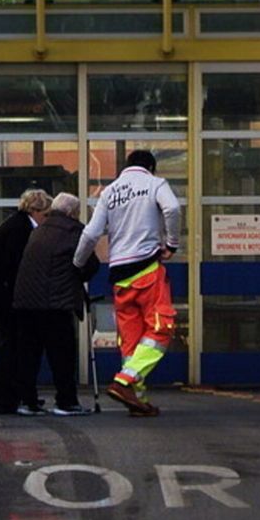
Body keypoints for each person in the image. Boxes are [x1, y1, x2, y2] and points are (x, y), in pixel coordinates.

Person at [74, 149, 181, 416]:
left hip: (119, 275)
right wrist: (172, 244)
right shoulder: (155, 184)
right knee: (160, 329)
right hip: (147, 269)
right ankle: (125, 381)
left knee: (131, 342)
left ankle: (137, 401)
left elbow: (91, 234)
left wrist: (76, 264)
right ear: (151, 168)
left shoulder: (109, 192)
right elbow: (173, 208)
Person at [13, 192, 99, 416]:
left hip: (27, 302)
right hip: (55, 303)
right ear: (72, 212)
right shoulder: (73, 231)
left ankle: (28, 401)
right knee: (62, 355)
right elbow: (90, 265)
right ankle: (66, 401)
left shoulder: (39, 230)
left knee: (29, 354)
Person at [0, 188, 52, 415]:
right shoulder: (21, 229)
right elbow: (15, 267)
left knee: (13, 347)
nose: (46, 219)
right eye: (45, 214)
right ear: (35, 210)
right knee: (12, 348)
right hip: (8, 298)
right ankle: (7, 400)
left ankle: (16, 397)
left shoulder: (16, 225)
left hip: (4, 295)